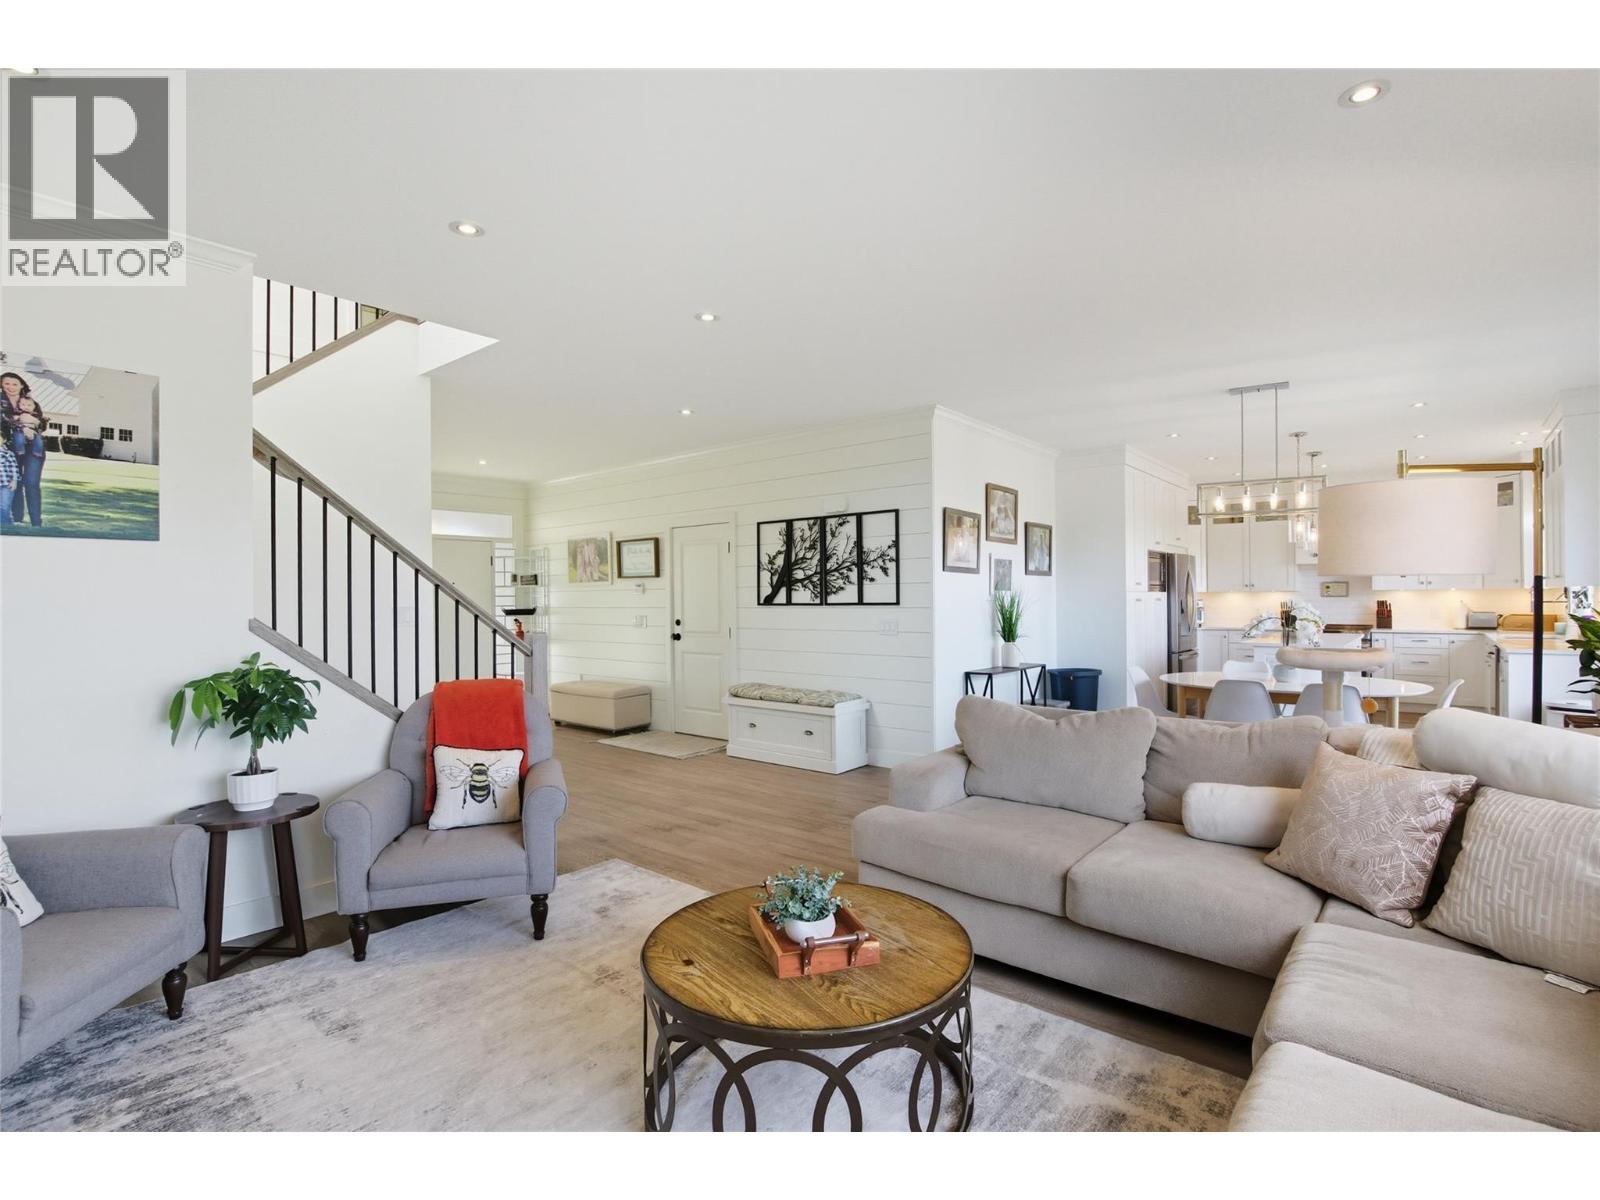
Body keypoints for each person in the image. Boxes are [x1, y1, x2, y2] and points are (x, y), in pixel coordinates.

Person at [1, 372, 46, 526]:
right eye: (7, 383)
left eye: (14, 384)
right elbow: (3, 423)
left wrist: (34, 426)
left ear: (21, 385)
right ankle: (18, 519)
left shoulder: (30, 401)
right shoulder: (1, 402)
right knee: (15, 482)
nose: (10, 387)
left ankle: (36, 522)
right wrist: (20, 426)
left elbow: (42, 422)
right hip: (11, 448)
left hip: (34, 447)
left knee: (32, 484)